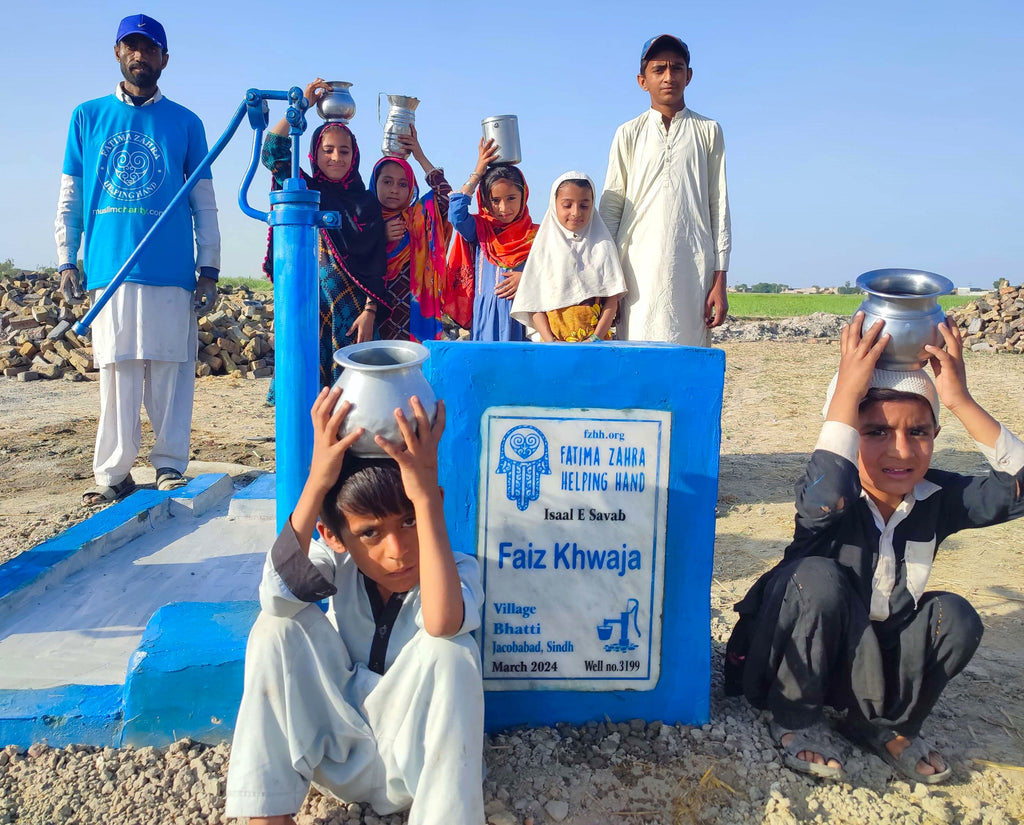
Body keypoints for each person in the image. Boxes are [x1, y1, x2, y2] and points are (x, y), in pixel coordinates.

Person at [724, 314, 1024, 783]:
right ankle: (793, 718)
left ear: (935, 437)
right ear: (848, 433)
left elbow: (1018, 487)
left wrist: (959, 400)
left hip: (869, 666)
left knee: (956, 616)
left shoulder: (937, 499)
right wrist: (846, 392)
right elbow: (824, 500)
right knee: (817, 578)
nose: (900, 452)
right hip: (793, 657)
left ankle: (881, 726)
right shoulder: (831, 495)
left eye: (917, 432)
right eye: (876, 432)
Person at [224, 387, 484, 825]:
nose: (398, 550)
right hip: (339, 754)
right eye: (370, 533)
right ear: (334, 536)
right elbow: (273, 596)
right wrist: (318, 479)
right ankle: (267, 817)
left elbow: (441, 622)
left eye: (410, 521)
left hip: (413, 767)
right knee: (276, 626)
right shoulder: (334, 563)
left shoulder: (456, 571)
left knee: (452, 650)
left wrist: (425, 498)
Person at [55, 14, 221, 505]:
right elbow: (71, 195)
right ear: (117, 52)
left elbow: (204, 202)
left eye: (150, 49)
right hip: (110, 269)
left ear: (164, 59)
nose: (140, 56)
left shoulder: (187, 123)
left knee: (170, 368)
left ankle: (170, 465)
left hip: (171, 270)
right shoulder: (87, 117)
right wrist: (67, 258)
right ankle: (113, 474)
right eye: (132, 47)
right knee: (118, 371)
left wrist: (209, 266)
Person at [599, 34, 731, 346]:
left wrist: (720, 279)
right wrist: (607, 282)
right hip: (635, 270)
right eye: (659, 70)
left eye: (677, 68)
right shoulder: (628, 133)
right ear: (642, 81)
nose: (669, 77)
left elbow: (719, 203)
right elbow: (611, 206)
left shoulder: (708, 131)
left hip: (694, 268)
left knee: (688, 355)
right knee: (638, 357)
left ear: (689, 75)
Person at [262, 78, 387, 389]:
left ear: (354, 156)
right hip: (308, 307)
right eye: (327, 150)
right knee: (305, 394)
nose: (336, 157)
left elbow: (376, 263)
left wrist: (371, 311)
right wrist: (299, 107)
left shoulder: (367, 203)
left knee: (354, 396)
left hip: (353, 313)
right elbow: (272, 151)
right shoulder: (305, 189)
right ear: (314, 154)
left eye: (344, 151)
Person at [511, 171, 626, 342]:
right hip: (554, 347)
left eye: (584, 206)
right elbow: (532, 301)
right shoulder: (544, 250)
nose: (576, 212)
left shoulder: (603, 247)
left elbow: (612, 298)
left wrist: (595, 338)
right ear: (554, 204)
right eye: (567, 205)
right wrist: (551, 341)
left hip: (597, 346)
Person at [446, 139, 538, 341]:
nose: (504, 208)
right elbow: (456, 215)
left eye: (511, 198)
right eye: (495, 201)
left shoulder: (537, 236)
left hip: (525, 320)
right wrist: (478, 172)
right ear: (485, 201)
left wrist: (528, 279)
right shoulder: (481, 230)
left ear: (524, 195)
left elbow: (554, 273)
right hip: (486, 319)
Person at [370, 125, 452, 342]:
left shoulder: (420, 218)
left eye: (403, 183)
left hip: (414, 321)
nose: (394, 189)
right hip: (372, 321)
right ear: (374, 183)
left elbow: (447, 199)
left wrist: (419, 155)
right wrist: (379, 236)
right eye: (387, 182)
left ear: (411, 188)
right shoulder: (362, 220)